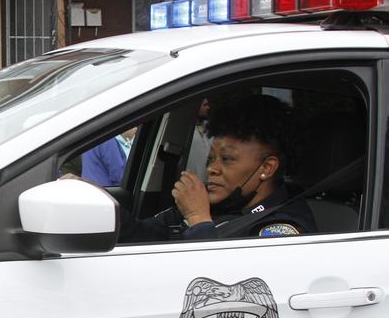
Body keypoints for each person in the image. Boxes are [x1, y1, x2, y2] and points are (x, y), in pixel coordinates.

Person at [119, 95, 316, 243]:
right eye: (211, 158)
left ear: (267, 167)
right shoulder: (217, 204)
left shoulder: (281, 229)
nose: (212, 168)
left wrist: (198, 220)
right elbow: (140, 235)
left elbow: (224, 289)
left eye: (227, 159)